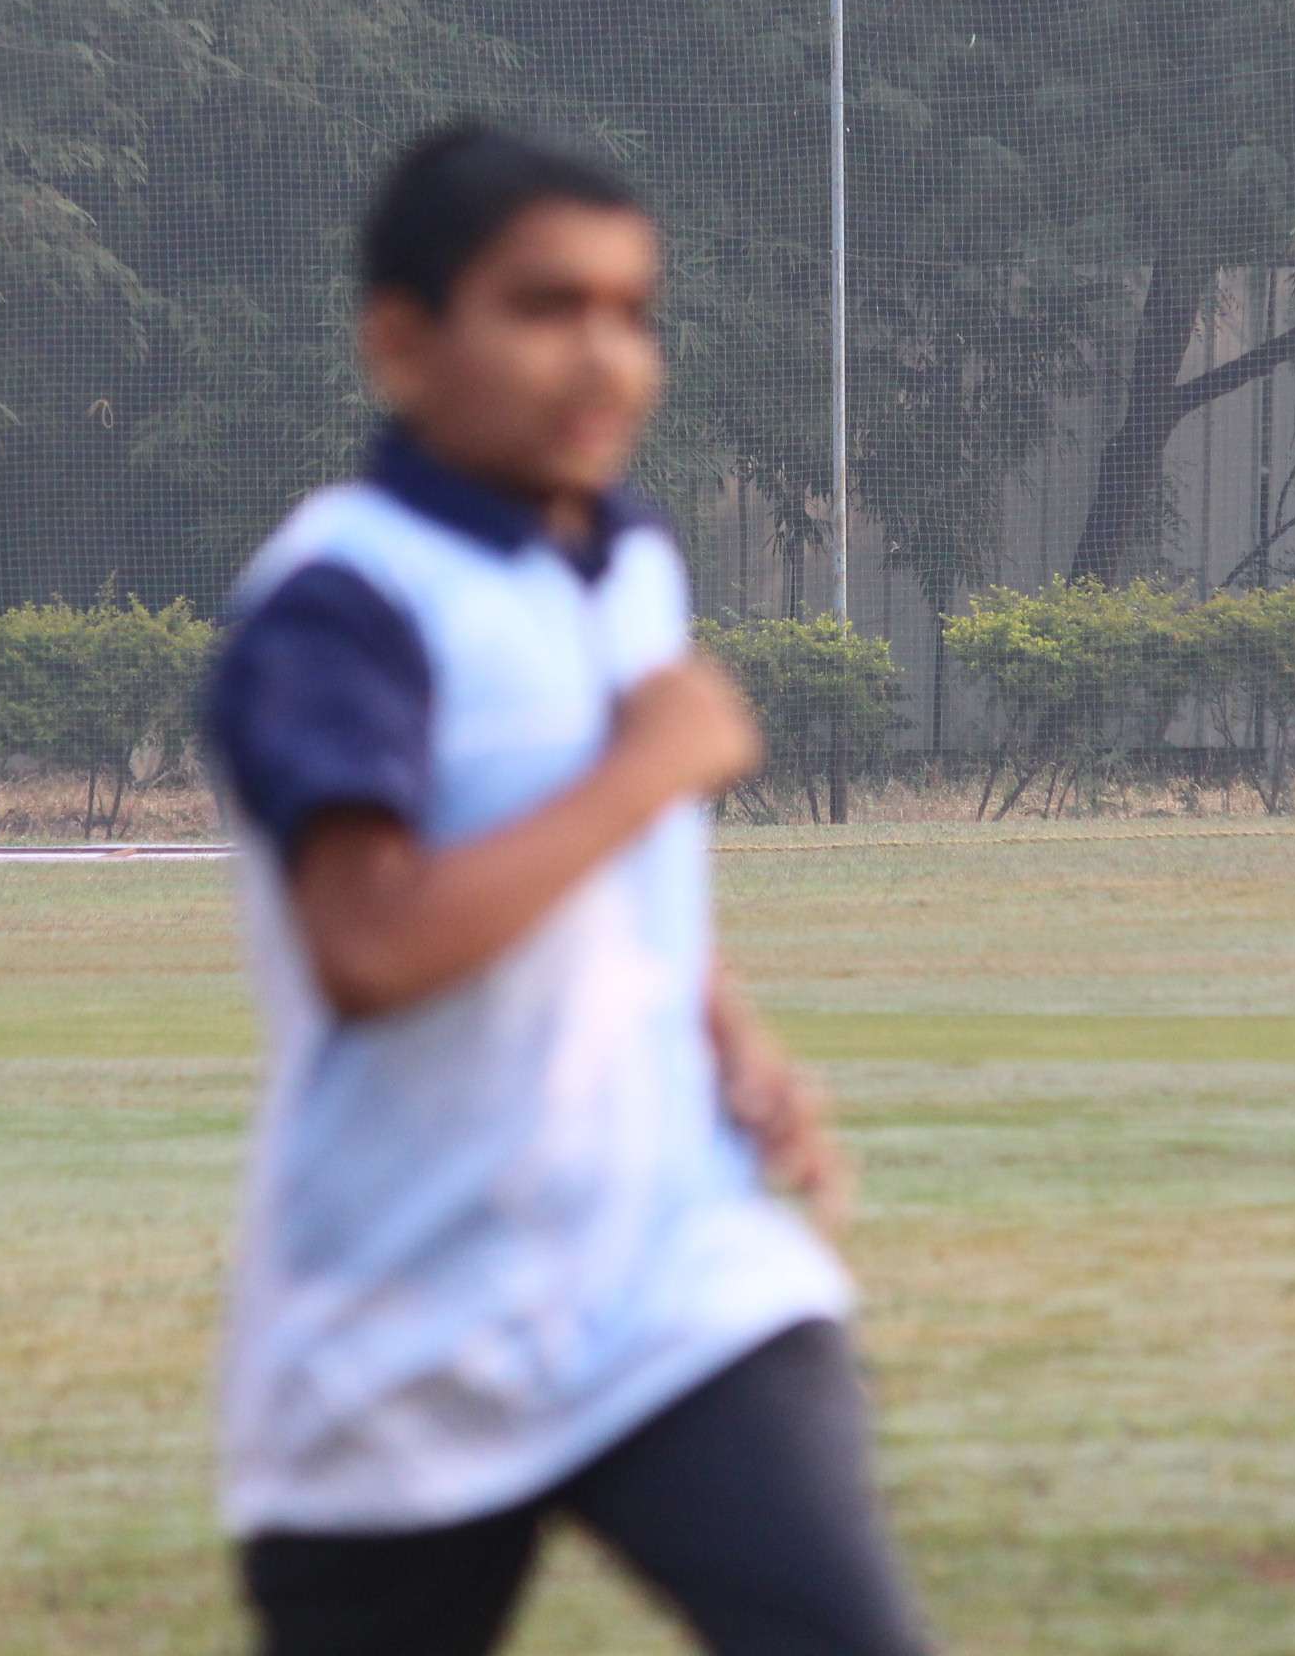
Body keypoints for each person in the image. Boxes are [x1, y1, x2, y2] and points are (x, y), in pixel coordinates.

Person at [199, 124, 929, 1656]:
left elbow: (615, 888)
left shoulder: (627, 557)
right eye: (546, 307)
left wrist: (728, 1041)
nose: (606, 358)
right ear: (402, 340)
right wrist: (646, 768)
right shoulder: (343, 603)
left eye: (632, 310)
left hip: (669, 1288)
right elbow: (369, 946)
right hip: (398, 1336)